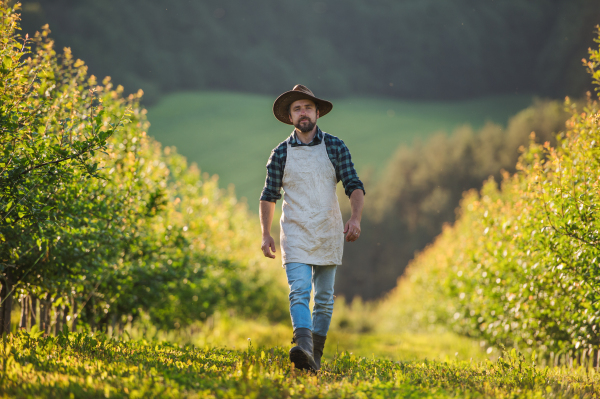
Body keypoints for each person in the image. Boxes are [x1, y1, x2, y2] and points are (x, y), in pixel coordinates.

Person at [259, 84, 365, 372]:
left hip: (328, 231)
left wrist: (355, 218)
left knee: (324, 300)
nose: (303, 113)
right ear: (290, 117)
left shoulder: (335, 146)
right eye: (297, 109)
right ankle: (303, 345)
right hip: (294, 232)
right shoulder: (280, 153)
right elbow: (269, 195)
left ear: (317, 112)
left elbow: (354, 185)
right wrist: (266, 234)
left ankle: (313, 357)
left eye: (307, 107)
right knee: (299, 291)